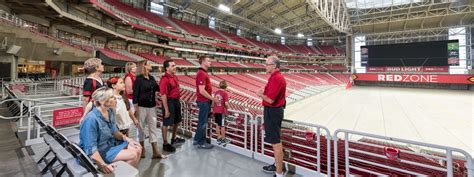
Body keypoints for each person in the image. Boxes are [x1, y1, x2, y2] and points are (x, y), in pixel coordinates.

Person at [79, 87, 142, 174]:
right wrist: (103, 165)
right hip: (99, 151)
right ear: (101, 101)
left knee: (137, 148)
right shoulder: (91, 119)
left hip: (110, 144)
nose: (115, 98)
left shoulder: (110, 111)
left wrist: (128, 139)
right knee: (133, 155)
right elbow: (91, 149)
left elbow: (115, 132)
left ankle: (125, 174)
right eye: (112, 97)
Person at [256, 56, 287, 177]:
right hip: (272, 111)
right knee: (275, 142)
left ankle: (279, 173)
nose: (265, 66)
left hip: (273, 112)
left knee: (276, 143)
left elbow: (270, 100)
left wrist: (260, 94)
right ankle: (276, 165)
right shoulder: (275, 77)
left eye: (267, 64)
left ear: (274, 66)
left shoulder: (276, 78)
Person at [133, 60, 166, 159]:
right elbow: (135, 95)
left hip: (152, 106)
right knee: (141, 129)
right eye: (149, 64)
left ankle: (155, 151)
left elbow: (158, 89)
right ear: (144, 66)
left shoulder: (151, 77)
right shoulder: (138, 79)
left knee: (153, 128)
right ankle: (142, 149)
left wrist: (160, 79)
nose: (151, 65)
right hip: (141, 107)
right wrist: (135, 109)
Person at [159, 59, 185, 152]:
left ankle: (173, 139)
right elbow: (163, 95)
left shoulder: (174, 77)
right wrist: (166, 109)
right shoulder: (164, 80)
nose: (175, 67)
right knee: (166, 123)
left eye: (175, 65)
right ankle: (165, 144)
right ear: (167, 68)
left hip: (176, 101)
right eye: (172, 66)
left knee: (177, 121)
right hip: (169, 102)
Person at [193, 55, 215, 149]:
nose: (210, 62)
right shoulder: (201, 73)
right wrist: (212, 99)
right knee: (203, 123)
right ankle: (201, 143)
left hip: (204, 101)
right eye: (208, 60)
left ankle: (197, 140)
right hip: (204, 101)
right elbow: (202, 90)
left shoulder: (203, 73)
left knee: (202, 122)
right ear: (203, 62)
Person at [213, 80, 230, 145]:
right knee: (222, 126)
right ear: (226, 87)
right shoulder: (225, 93)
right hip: (221, 111)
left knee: (217, 125)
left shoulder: (216, 92)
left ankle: (218, 137)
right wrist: (228, 108)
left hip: (216, 110)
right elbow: (226, 103)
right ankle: (223, 139)